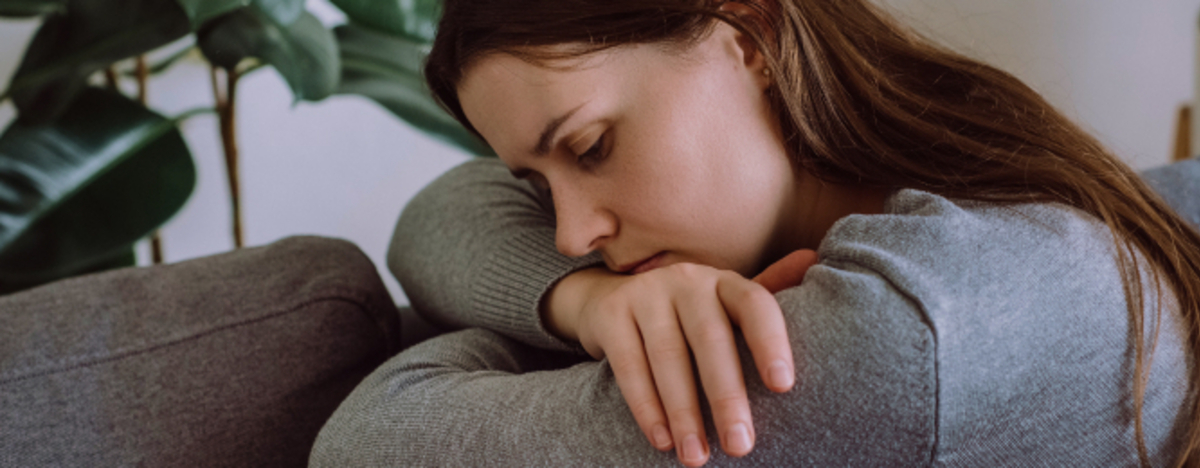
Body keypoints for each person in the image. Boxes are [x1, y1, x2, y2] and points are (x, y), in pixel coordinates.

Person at [309, 1, 1200, 466]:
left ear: (749, 33)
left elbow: (367, 446)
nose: (575, 230)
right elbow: (445, 207)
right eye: (540, 188)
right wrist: (586, 300)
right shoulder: (963, 182)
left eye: (590, 146)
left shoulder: (907, 328)